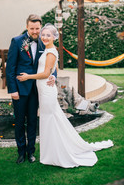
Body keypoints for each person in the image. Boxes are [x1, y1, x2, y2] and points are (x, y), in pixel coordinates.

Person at [17, 24, 114, 168]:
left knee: (51, 119)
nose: (44, 37)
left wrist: (28, 77)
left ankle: (56, 153)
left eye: (48, 35)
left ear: (54, 37)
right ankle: (51, 151)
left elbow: (44, 73)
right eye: (43, 34)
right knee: (51, 119)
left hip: (47, 90)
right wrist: (53, 77)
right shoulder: (48, 49)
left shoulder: (51, 52)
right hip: (44, 88)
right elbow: (53, 70)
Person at [6, 15, 56, 164]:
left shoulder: (44, 42)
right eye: (32, 28)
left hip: (37, 90)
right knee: (20, 122)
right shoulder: (17, 41)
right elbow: (10, 68)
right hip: (20, 90)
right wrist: (12, 90)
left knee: (33, 122)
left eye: (37, 28)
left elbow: (50, 62)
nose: (35, 31)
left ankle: (31, 152)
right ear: (27, 27)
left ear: (40, 28)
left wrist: (53, 75)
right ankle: (21, 152)